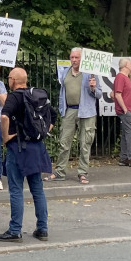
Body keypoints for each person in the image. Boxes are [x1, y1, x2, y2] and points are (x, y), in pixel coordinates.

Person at [0, 68, 53, 242]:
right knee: (38, 190)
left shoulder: (15, 97)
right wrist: (40, 133)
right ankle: (42, 229)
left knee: (16, 189)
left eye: (9, 78)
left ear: (13, 80)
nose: (8, 81)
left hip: (18, 148)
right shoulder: (38, 95)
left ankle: (15, 230)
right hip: (36, 147)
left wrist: (6, 137)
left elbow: (4, 117)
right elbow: (53, 119)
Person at [52, 48, 82, 180]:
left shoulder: (90, 74)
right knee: (64, 141)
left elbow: (98, 94)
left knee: (85, 143)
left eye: (77, 57)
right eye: (72, 57)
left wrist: (93, 87)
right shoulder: (65, 72)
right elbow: (62, 92)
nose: (74, 60)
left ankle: (83, 173)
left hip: (85, 111)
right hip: (69, 109)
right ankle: (60, 171)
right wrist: (61, 108)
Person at [114, 57, 131, 167]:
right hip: (126, 111)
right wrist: (125, 109)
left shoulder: (124, 78)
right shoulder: (121, 77)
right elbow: (117, 94)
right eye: (130, 63)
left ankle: (124, 157)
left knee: (127, 133)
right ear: (125, 65)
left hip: (129, 110)